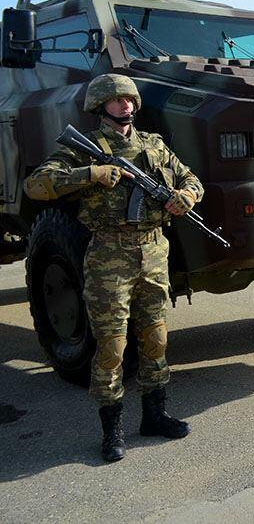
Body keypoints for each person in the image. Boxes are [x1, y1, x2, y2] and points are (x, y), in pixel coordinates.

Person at [24, 74, 204, 461]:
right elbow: (36, 185)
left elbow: (191, 178)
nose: (125, 105)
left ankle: (155, 415)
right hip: (109, 255)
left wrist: (185, 196)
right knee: (112, 345)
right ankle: (112, 430)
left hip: (153, 252)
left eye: (129, 99)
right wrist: (91, 174)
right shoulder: (85, 149)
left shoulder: (153, 144)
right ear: (100, 105)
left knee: (155, 338)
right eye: (116, 99)